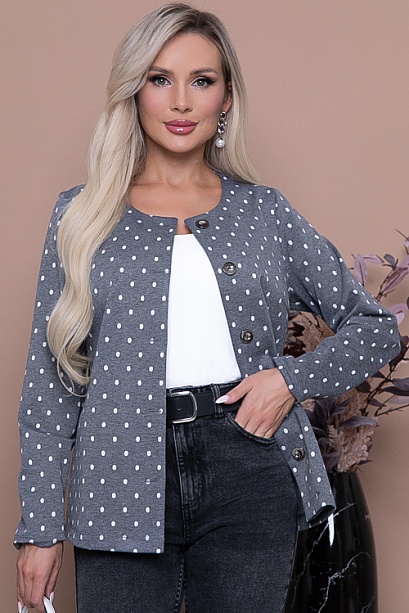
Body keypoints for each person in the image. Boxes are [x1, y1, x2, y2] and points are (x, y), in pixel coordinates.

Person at [15, 3, 399, 612]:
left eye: (201, 80)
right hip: (118, 471)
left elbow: (376, 330)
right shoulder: (81, 215)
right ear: (134, 92)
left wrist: (288, 381)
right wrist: (39, 528)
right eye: (159, 79)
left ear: (226, 99)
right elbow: (50, 388)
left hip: (247, 465)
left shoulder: (264, 213)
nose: (180, 102)